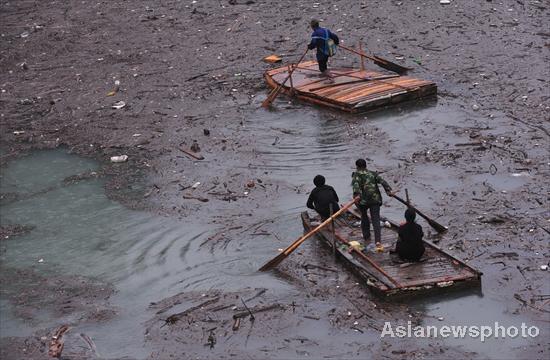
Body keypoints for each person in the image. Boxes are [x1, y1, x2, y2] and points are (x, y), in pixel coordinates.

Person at [351, 159, 394, 250]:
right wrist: (388, 191)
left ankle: (366, 237)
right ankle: (378, 241)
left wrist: (356, 195)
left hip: (363, 201)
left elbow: (356, 186)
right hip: (375, 199)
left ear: (357, 166)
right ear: (366, 166)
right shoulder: (373, 173)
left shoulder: (356, 175)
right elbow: (383, 182)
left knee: (364, 216)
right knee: (375, 219)